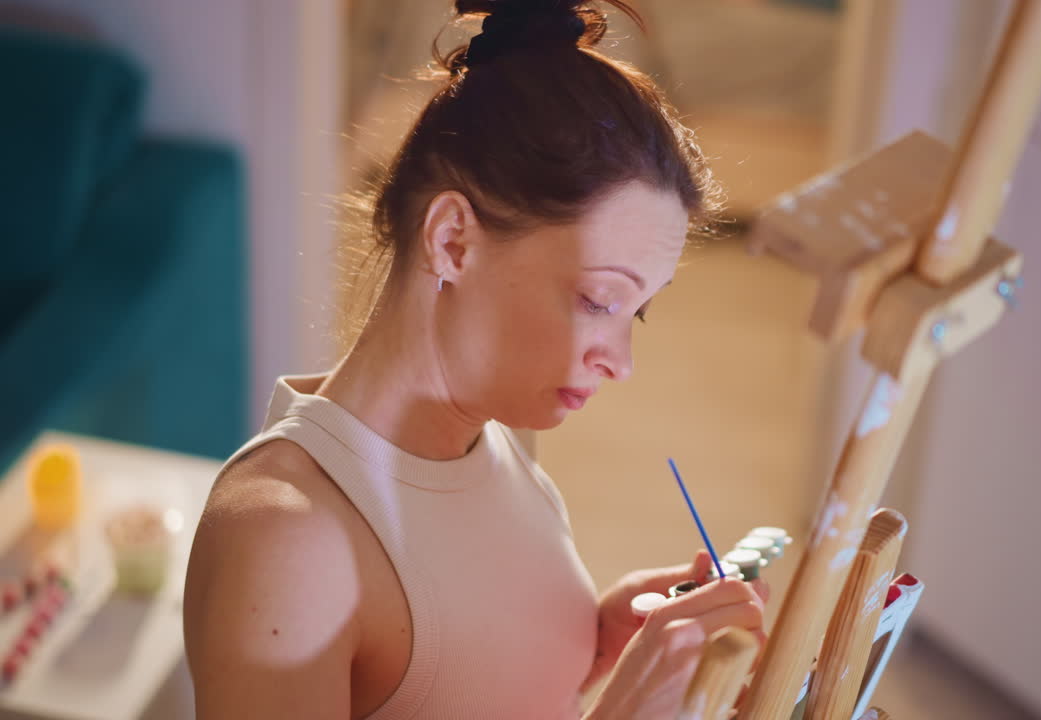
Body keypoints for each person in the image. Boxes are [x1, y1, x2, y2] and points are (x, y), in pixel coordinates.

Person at [182, 1, 771, 717]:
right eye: (599, 300)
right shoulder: (286, 539)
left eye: (637, 310)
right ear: (454, 240)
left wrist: (591, 647)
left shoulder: (495, 438)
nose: (622, 362)